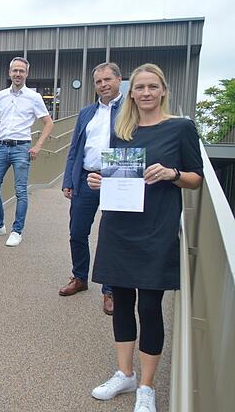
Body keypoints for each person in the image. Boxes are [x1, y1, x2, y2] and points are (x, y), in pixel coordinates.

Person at [87, 63, 202, 412]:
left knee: (150, 307)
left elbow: (196, 178)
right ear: (131, 92)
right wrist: (99, 182)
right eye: (140, 88)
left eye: (153, 87)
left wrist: (172, 173)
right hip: (119, 227)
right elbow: (118, 176)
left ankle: (147, 387)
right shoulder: (123, 130)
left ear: (164, 90)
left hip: (157, 228)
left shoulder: (180, 128)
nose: (146, 93)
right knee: (121, 301)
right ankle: (125, 373)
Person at [59, 62, 123, 315]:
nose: (103, 85)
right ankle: (80, 278)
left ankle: (110, 289)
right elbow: (74, 148)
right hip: (86, 178)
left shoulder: (131, 109)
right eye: (98, 81)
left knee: (111, 235)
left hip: (115, 178)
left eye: (108, 79)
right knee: (77, 232)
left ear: (119, 80)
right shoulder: (87, 112)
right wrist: (68, 180)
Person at [0, 57, 54, 246]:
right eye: (15, 70)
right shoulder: (0, 95)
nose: (18, 74)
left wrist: (38, 146)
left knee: (20, 191)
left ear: (27, 74)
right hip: (1, 147)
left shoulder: (34, 97)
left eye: (21, 71)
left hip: (22, 148)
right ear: (9, 73)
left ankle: (17, 230)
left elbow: (48, 123)